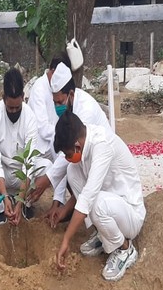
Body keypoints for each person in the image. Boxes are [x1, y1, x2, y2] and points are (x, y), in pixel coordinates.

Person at [53, 112, 146, 281]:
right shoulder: (85, 141)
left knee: (95, 203)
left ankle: (125, 249)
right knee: (72, 172)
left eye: (68, 154)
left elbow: (88, 197)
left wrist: (66, 239)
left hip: (130, 214)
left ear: (77, 145)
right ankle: (104, 234)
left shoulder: (102, 145)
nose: (67, 158)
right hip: (112, 206)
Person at [28, 62, 112, 227]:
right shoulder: (70, 109)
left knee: (90, 192)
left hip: (102, 161)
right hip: (88, 158)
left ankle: (97, 226)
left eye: (60, 102)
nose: (57, 107)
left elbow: (67, 155)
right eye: (55, 103)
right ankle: (92, 224)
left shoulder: (84, 111)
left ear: (71, 94)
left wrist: (47, 180)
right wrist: (56, 202)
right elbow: (64, 156)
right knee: (72, 172)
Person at [0, 68, 52, 226]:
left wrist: (19, 201)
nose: (13, 111)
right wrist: (4, 196)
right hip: (3, 171)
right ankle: (1, 207)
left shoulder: (30, 117)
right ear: (3, 98)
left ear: (23, 98)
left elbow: (29, 162)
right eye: (10, 108)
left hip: (22, 176)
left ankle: (25, 204)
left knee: (48, 167)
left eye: (17, 108)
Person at [26, 54, 72, 162]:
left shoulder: (59, 88)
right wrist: (65, 133)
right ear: (52, 71)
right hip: (41, 151)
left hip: (54, 143)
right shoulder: (39, 89)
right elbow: (43, 129)